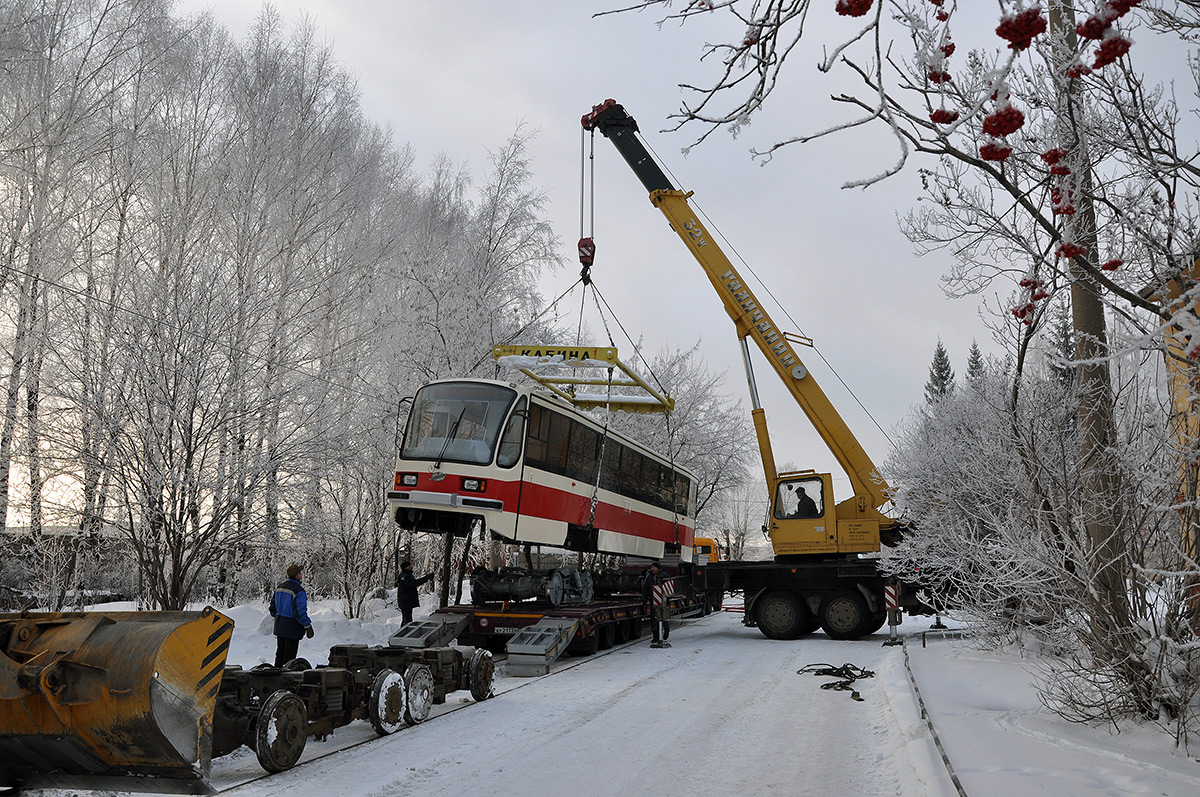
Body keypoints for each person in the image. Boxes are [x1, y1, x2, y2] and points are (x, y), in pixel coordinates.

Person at [270, 563, 313, 668]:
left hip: (279, 626)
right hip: (292, 627)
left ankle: (276, 678)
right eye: (300, 573)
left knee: (279, 655)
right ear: (297, 575)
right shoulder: (299, 591)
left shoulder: (279, 588)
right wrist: (307, 625)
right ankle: (285, 680)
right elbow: (300, 612)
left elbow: (272, 609)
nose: (301, 575)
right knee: (289, 659)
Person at [641, 561, 671, 648]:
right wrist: (644, 599)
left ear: (658, 568)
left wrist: (668, 597)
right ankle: (655, 637)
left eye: (654, 567)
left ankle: (666, 630)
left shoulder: (664, 576)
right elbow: (645, 589)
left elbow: (669, 587)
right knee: (654, 619)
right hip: (653, 601)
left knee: (664, 617)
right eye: (652, 567)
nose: (652, 568)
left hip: (664, 601)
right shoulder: (649, 577)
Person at [397, 560, 434, 625]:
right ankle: (405, 633)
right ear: (406, 567)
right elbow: (414, 583)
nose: (411, 566)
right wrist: (426, 578)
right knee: (407, 620)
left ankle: (404, 633)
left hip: (406, 601)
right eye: (409, 565)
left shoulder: (407, 576)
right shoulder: (405, 577)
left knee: (407, 619)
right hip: (405, 601)